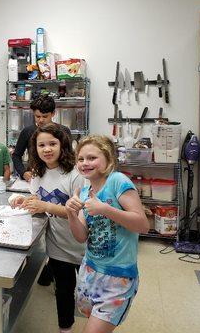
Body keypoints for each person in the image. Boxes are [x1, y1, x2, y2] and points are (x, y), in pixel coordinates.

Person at [65, 135, 149, 333]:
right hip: (90, 271)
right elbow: (81, 236)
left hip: (118, 277)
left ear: (109, 160)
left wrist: (105, 209)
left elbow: (143, 225)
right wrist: (70, 213)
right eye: (81, 159)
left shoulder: (117, 181)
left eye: (92, 158)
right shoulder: (85, 192)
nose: (85, 163)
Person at [10, 123, 85, 333]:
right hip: (58, 244)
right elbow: (37, 199)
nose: (47, 149)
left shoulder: (74, 174)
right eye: (41, 145)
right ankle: (65, 329)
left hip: (82, 244)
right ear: (35, 148)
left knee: (89, 292)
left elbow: (81, 213)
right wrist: (24, 201)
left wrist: (46, 206)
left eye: (52, 143)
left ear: (63, 145)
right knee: (64, 291)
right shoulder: (37, 173)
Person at [12, 94, 71, 182]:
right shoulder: (27, 131)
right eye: (37, 116)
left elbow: (69, 155)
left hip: (60, 176)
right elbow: (16, 155)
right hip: (35, 177)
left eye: (45, 116)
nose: (41, 120)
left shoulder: (64, 131)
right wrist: (23, 173)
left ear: (53, 113)